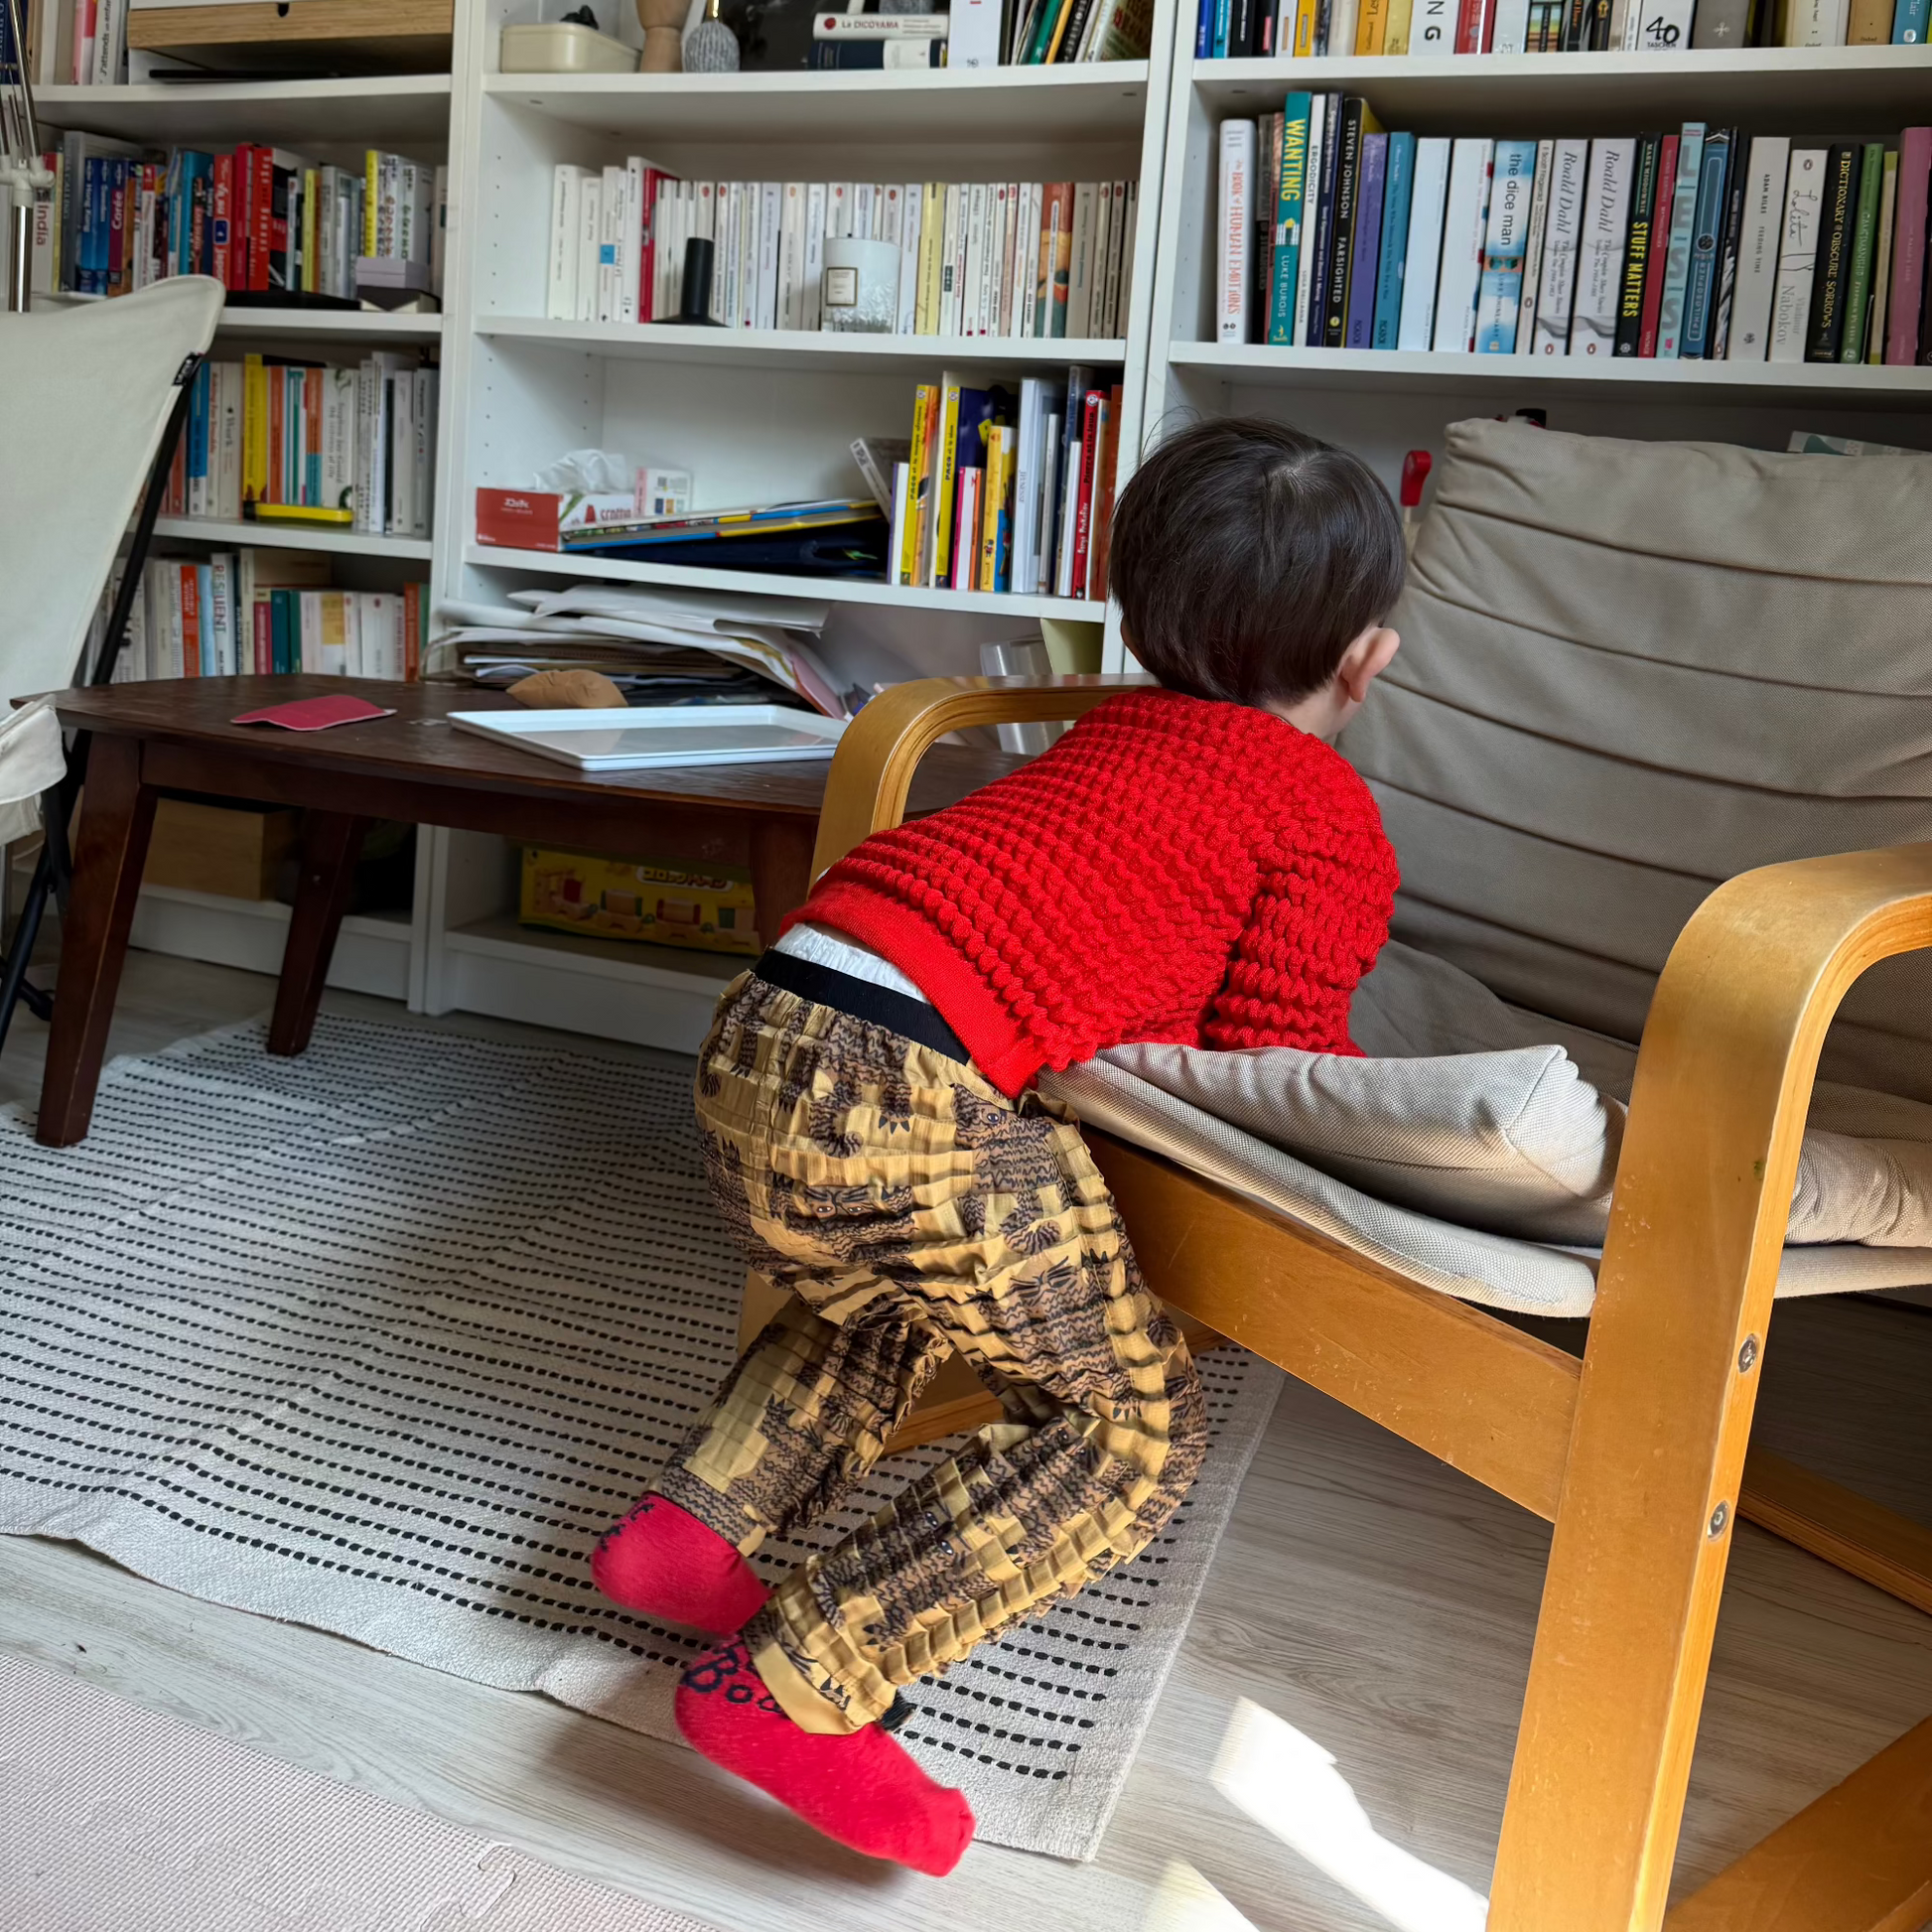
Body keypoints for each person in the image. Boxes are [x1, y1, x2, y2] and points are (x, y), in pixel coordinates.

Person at [592, 417, 1407, 1876]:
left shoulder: (1103, 730)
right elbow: (1275, 1070)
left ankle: (692, 1532)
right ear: (1366, 659)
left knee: (885, 1290)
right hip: (910, 1085)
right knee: (1130, 1427)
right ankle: (799, 1683)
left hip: (763, 1022)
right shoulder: (1323, 813)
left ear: (1136, 622)